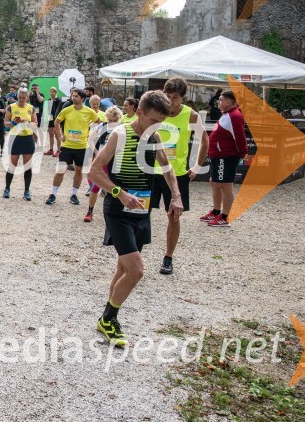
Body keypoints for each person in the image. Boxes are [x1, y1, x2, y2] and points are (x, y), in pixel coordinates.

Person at [88, 90, 182, 347]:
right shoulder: (119, 135)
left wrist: (175, 195)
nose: (156, 127)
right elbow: (94, 172)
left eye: (160, 123)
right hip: (118, 211)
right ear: (139, 112)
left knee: (123, 268)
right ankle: (109, 319)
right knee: (137, 269)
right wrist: (119, 193)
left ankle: (106, 318)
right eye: (153, 121)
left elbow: (168, 169)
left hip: (142, 211)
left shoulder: (155, 137)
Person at [151, 78, 208, 275]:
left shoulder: (190, 115)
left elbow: (204, 141)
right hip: (151, 170)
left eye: (175, 97)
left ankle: (168, 257)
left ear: (182, 97)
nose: (171, 100)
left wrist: (197, 166)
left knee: (174, 216)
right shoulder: (158, 111)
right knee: (139, 212)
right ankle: (135, 254)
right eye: (168, 96)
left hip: (177, 174)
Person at [201, 90, 247, 228]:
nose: (218, 102)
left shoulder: (234, 116)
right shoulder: (227, 114)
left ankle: (225, 217)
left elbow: (239, 137)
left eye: (220, 100)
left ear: (228, 102)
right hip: (218, 155)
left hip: (226, 156)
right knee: (214, 182)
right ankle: (216, 211)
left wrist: (242, 152)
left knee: (225, 185)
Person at [47, 89, 99, 206]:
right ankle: (53, 194)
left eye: (76, 96)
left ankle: (74, 194)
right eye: (72, 96)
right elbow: (56, 122)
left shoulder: (89, 112)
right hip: (67, 146)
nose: (73, 98)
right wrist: (60, 136)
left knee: (79, 170)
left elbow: (99, 122)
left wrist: (91, 135)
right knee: (61, 170)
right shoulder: (67, 110)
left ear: (82, 99)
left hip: (81, 147)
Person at [84, 106, 123, 223]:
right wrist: (96, 152)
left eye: (115, 120)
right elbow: (90, 139)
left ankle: (115, 213)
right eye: (111, 120)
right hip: (102, 160)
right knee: (95, 187)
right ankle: (90, 211)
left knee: (116, 187)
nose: (113, 123)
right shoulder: (102, 126)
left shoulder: (122, 128)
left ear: (119, 119)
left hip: (116, 161)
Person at [3, 88, 40, 200]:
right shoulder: (11, 107)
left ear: (27, 98)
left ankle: (27, 190)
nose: (21, 100)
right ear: (17, 96)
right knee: (12, 165)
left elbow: (35, 123)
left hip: (27, 138)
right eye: (19, 97)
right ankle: (7, 188)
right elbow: (6, 123)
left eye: (24, 98)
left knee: (27, 166)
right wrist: (14, 122)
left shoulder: (31, 108)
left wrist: (27, 123)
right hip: (15, 138)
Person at [45, 87, 63, 156]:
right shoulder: (49, 100)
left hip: (56, 119)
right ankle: (51, 149)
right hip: (50, 119)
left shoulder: (58, 100)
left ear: (56, 92)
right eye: (51, 92)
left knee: (57, 135)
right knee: (50, 135)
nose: (51, 93)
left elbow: (60, 110)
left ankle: (58, 150)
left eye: (53, 92)